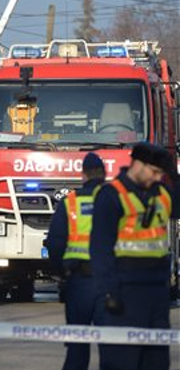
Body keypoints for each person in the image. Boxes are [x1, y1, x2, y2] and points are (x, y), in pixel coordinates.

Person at [90, 143, 180, 370]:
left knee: (156, 363)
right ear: (138, 164)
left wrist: (175, 175)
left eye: (161, 173)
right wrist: (109, 292)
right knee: (122, 362)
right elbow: (100, 249)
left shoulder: (161, 194)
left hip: (157, 294)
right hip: (124, 293)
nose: (157, 177)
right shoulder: (111, 196)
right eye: (154, 171)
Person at [45, 152, 106, 370]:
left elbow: (54, 243)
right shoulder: (117, 199)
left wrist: (60, 273)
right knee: (112, 348)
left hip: (80, 282)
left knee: (77, 349)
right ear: (104, 174)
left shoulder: (71, 202)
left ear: (84, 175)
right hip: (110, 283)